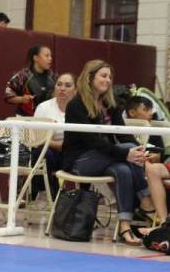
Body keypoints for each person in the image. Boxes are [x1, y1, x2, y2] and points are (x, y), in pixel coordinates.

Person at [62, 60, 155, 245]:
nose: (108, 80)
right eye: (103, 76)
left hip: (106, 157)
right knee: (126, 152)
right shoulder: (76, 105)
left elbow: (123, 134)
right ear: (90, 77)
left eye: (110, 77)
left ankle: (125, 227)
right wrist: (127, 153)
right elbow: (91, 141)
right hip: (80, 161)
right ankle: (145, 199)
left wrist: (140, 149)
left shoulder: (110, 104)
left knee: (123, 169)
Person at [31, 72, 76, 199]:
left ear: (76, 90)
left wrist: (55, 143)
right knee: (42, 153)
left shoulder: (80, 109)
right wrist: (61, 144)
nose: (62, 88)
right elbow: (37, 139)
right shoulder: (44, 107)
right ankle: (44, 191)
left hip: (73, 154)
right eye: (59, 84)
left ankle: (42, 190)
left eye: (68, 85)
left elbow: (78, 142)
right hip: (49, 152)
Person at [4, 45, 56, 116]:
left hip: (46, 117)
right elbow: (7, 95)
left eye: (50, 56)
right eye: (47, 56)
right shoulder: (23, 76)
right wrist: (22, 99)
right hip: (25, 118)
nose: (50, 58)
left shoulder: (53, 77)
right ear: (36, 58)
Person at [126, 96, 164, 163]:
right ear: (132, 112)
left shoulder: (154, 131)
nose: (151, 114)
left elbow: (159, 153)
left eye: (151, 110)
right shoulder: (121, 130)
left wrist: (156, 157)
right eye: (146, 110)